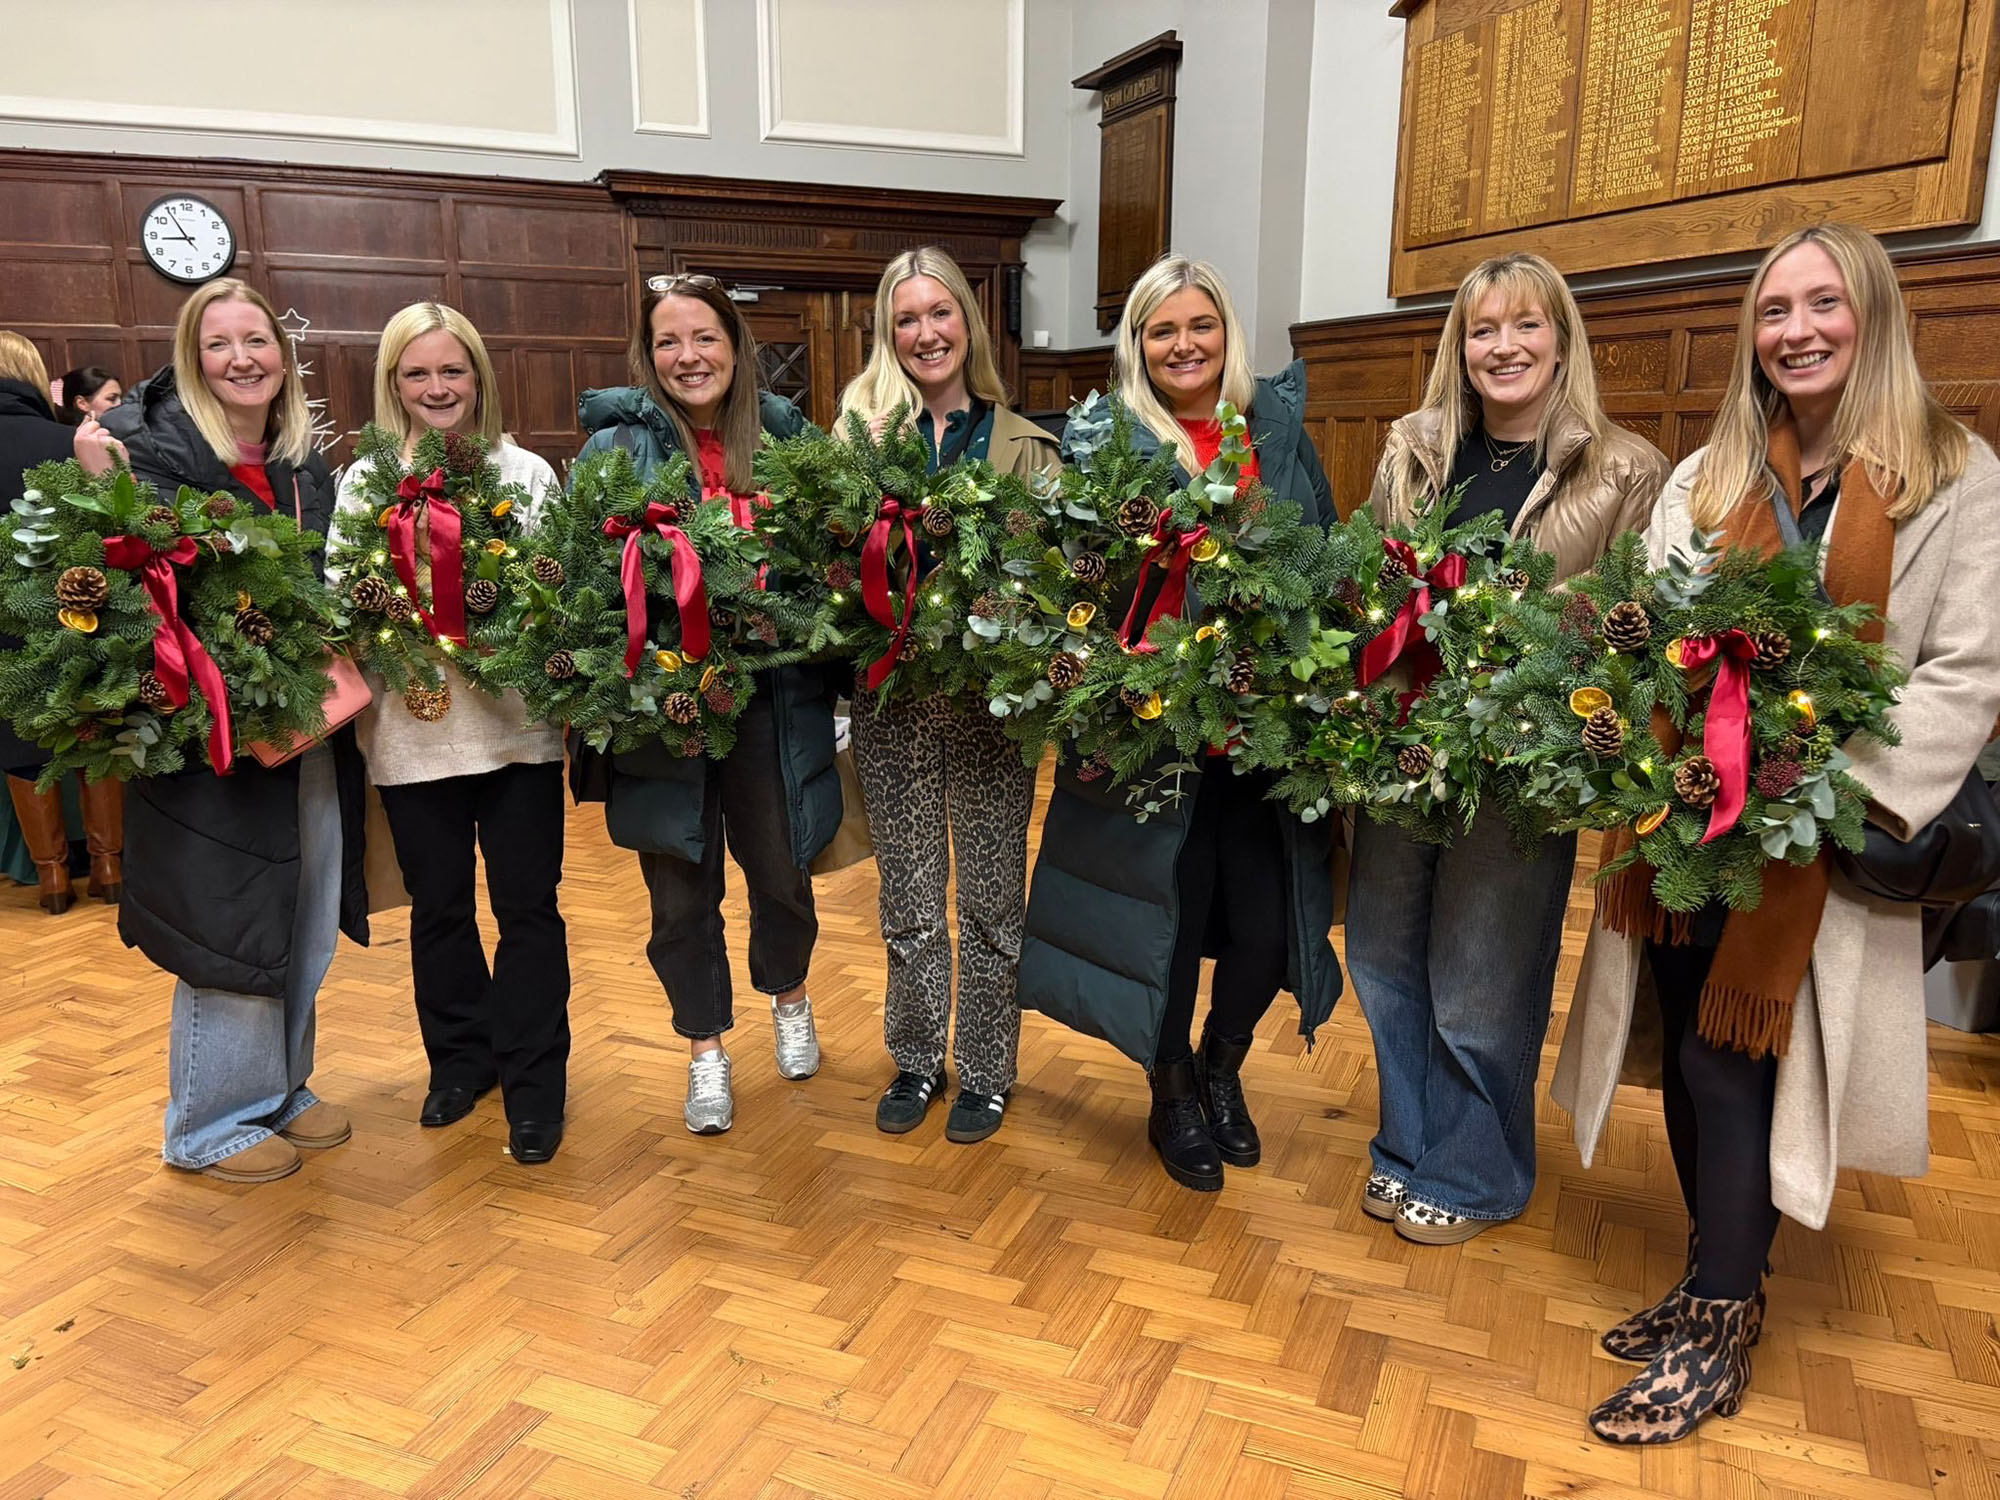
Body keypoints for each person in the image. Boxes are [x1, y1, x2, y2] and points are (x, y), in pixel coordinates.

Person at [1552, 223, 2000, 1443]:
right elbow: (1650, 618)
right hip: (1692, 819)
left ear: (1873, 317)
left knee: (1724, 1055)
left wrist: (1818, 776)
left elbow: (1963, 673)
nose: (1794, 331)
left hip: (1818, 835)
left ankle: (1716, 1317)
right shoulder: (1712, 476)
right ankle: (1715, 1277)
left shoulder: (1953, 475)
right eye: (1772, 310)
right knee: (1690, 1053)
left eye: (1822, 305)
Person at [1352, 253, 1669, 1244]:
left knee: (1480, 976)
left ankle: (1475, 1169)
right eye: (1482, 330)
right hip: (1405, 743)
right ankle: (1406, 1145)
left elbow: (1639, 622)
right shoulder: (1411, 451)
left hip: (1522, 764)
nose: (1503, 347)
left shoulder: (1621, 468)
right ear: (1460, 346)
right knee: (1382, 953)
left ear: (1559, 338)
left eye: (1524, 326)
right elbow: (1366, 577)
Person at [1016, 254, 1342, 1192]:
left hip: (1262, 736)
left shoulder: (1274, 430)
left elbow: (1317, 554)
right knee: (1169, 914)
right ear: (1138, 345)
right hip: (1153, 737)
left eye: (1200, 325)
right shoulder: (1106, 439)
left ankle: (1220, 1065)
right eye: (1163, 330)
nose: (1184, 344)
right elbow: (1071, 578)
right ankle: (1169, 1091)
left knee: (1271, 928)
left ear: (1225, 333)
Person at [101, 278, 370, 1183]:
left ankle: (281, 1089)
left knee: (305, 912)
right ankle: (209, 1124)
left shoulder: (302, 464)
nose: (242, 358)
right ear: (192, 358)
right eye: (219, 345)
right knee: (232, 921)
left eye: (256, 340)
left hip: (306, 729)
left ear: (283, 356)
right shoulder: (150, 455)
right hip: (209, 741)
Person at [573, 272, 842, 1135]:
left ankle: (790, 998)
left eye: (705, 338)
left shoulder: (790, 437)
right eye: (668, 342)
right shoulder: (612, 449)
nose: (688, 357)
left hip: (770, 696)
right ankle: (705, 1052)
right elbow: (583, 583)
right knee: (680, 894)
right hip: (665, 708)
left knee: (782, 870)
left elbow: (826, 565)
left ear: (736, 347)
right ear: (648, 356)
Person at [330, 303, 570, 1165]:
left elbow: (562, 602)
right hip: (411, 733)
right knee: (439, 912)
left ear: (479, 376)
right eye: (417, 373)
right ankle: (461, 1064)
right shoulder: (364, 482)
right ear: (393, 384)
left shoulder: (527, 473)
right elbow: (339, 593)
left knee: (528, 910)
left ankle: (536, 1081)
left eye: (452, 371)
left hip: (518, 737)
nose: (437, 388)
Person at [835, 248, 1059, 1143]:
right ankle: (919, 1057)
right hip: (892, 705)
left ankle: (990, 1072)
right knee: (912, 899)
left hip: (989, 711)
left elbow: (1053, 581)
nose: (926, 333)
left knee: (996, 900)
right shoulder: (858, 443)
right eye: (906, 318)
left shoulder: (1024, 447)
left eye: (941, 314)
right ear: (889, 335)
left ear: (968, 322)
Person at [0, 332, 126, 913]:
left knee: (19, 744)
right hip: (78, 609)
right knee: (96, 728)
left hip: (5, 624)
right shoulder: (70, 443)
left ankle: (51, 879)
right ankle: (107, 867)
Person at [55, 366, 123, 424]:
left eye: (121, 398)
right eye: (112, 398)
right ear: (82, 403)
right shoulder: (69, 437)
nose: (120, 404)